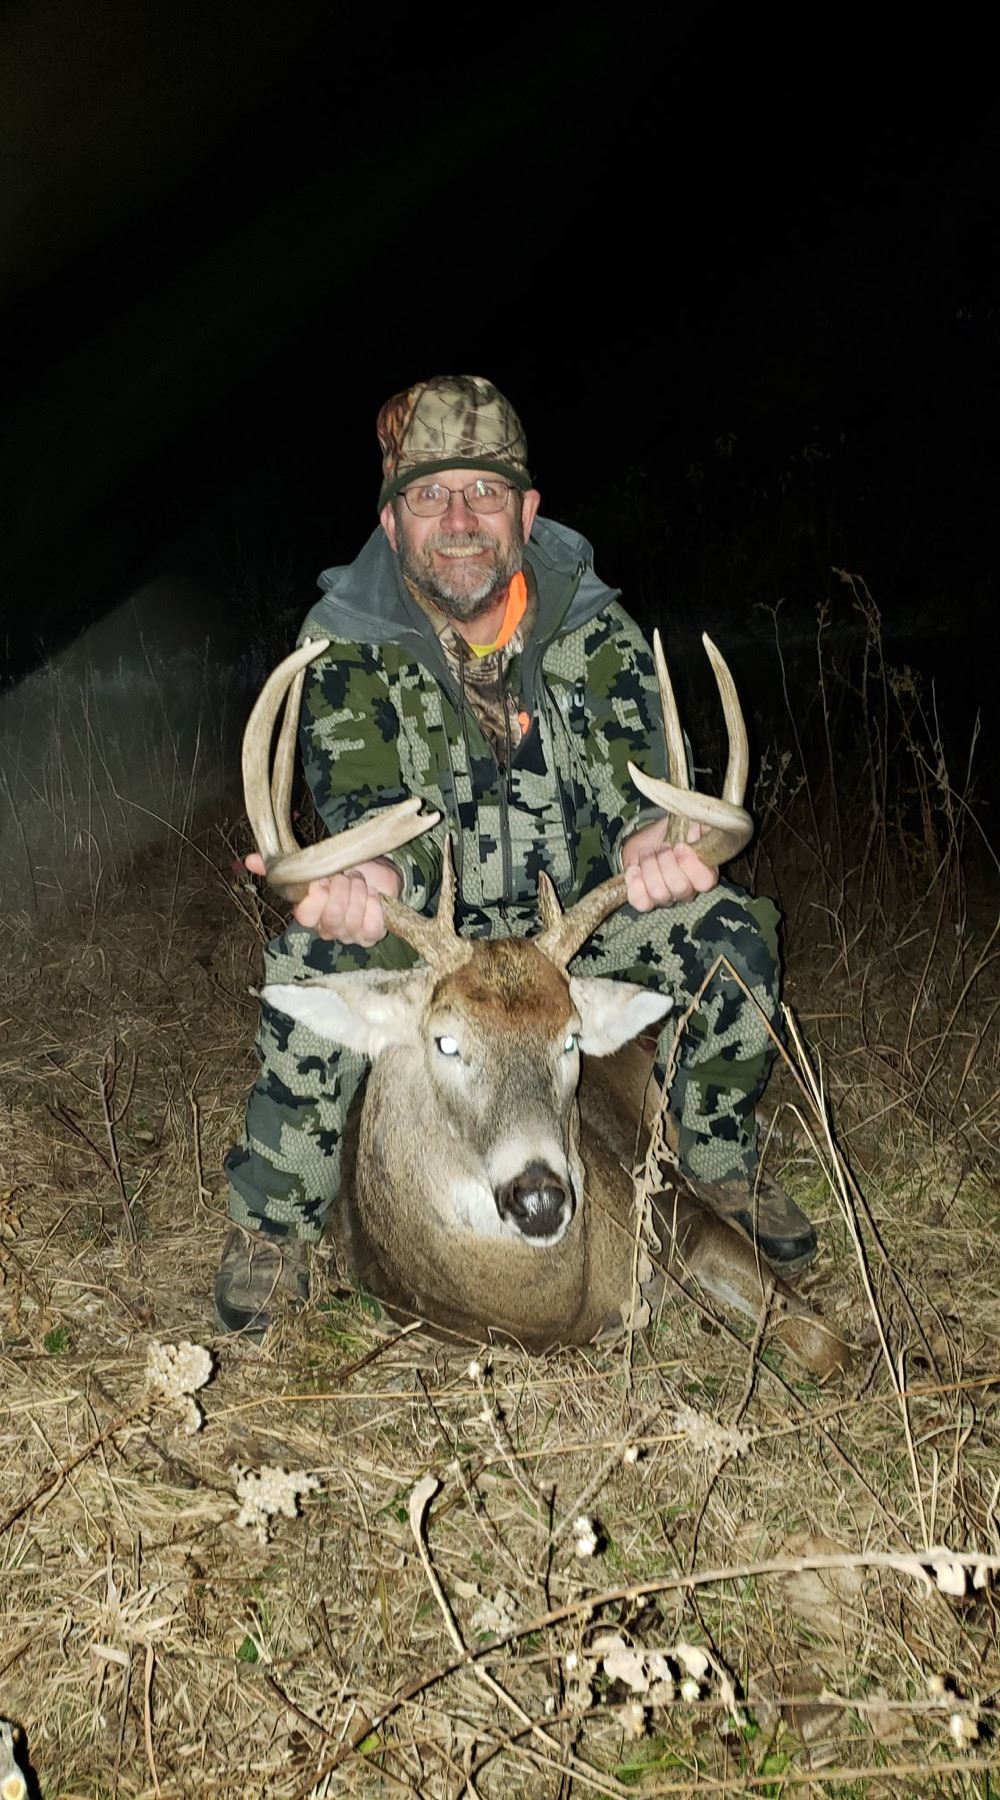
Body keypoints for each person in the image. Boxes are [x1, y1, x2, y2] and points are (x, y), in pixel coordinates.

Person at [214, 374, 816, 1336]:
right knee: (316, 957)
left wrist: (654, 845)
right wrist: (370, 880)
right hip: (439, 944)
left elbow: (635, 794)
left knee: (728, 935)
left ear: (526, 512)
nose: (458, 520)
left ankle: (713, 1166)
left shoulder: (597, 634)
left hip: (571, 937)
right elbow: (371, 809)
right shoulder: (346, 650)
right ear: (391, 522)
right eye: (429, 495)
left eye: (484, 493)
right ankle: (276, 1224)